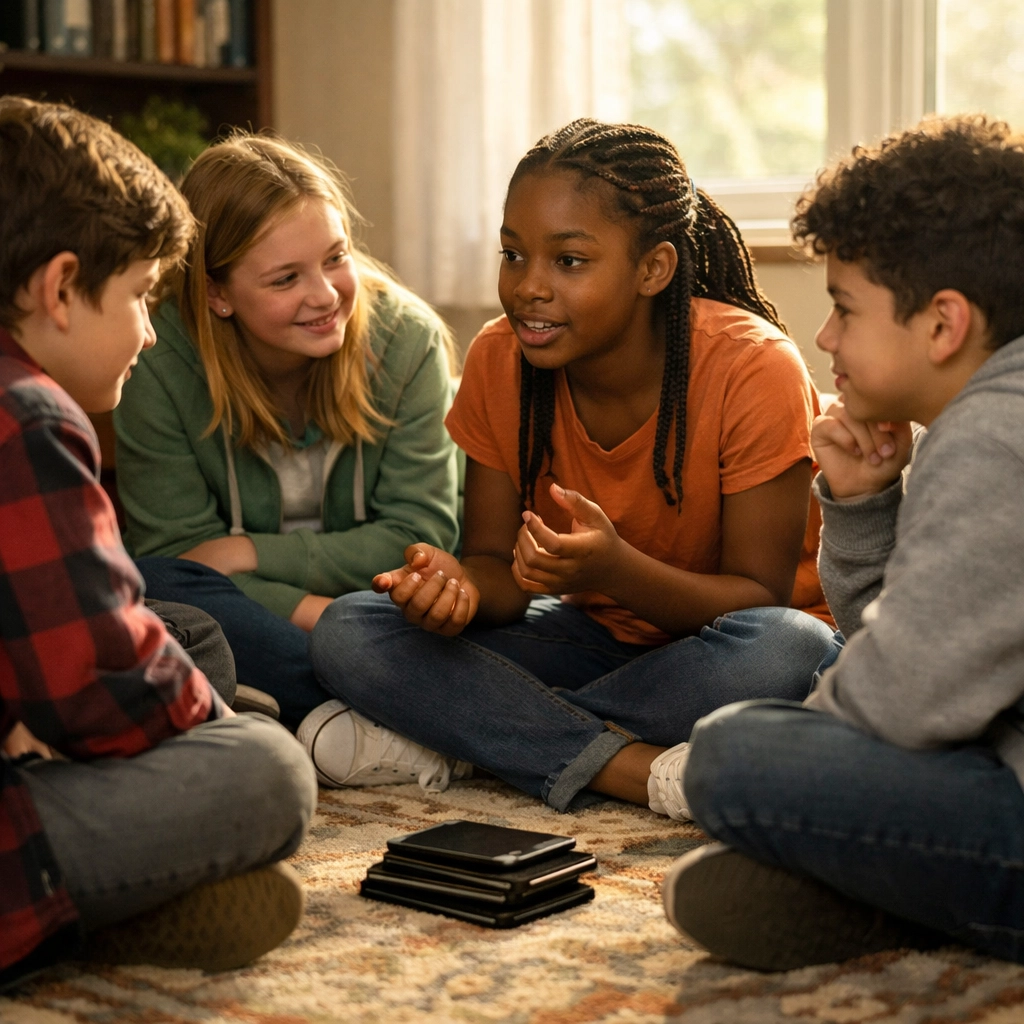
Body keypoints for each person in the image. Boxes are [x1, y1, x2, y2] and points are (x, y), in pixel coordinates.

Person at [304, 118, 838, 811]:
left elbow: (759, 597)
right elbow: (500, 571)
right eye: (513, 255)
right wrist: (458, 586)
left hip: (721, 650)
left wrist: (614, 569)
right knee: (351, 629)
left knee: (789, 650)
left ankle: (475, 734)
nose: (529, 287)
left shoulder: (752, 367)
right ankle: (623, 765)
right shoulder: (502, 358)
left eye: (570, 261)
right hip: (590, 637)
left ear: (654, 269)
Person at [661, 114, 1024, 971]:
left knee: (730, 752)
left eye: (843, 308)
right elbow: (927, 659)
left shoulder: (992, 439)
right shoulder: (993, 414)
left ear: (943, 324)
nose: (824, 338)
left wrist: (799, 779)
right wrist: (862, 505)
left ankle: (904, 898)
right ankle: (891, 890)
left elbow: (895, 705)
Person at [0, 98, 317, 991]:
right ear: (59, 287)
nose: (148, 328)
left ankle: (134, 878)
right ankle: (110, 904)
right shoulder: (26, 413)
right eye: (140, 294)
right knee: (267, 772)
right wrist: (217, 733)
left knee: (189, 631)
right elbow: (95, 681)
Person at [113, 134, 460, 729]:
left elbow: (421, 534)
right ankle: (381, 710)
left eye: (335, 257)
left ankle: (326, 711)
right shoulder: (159, 358)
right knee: (151, 586)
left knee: (502, 617)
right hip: (280, 621)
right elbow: (180, 559)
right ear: (217, 293)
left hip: (383, 613)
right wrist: (322, 617)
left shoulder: (406, 340)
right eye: (285, 279)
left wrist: (247, 552)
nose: (325, 296)